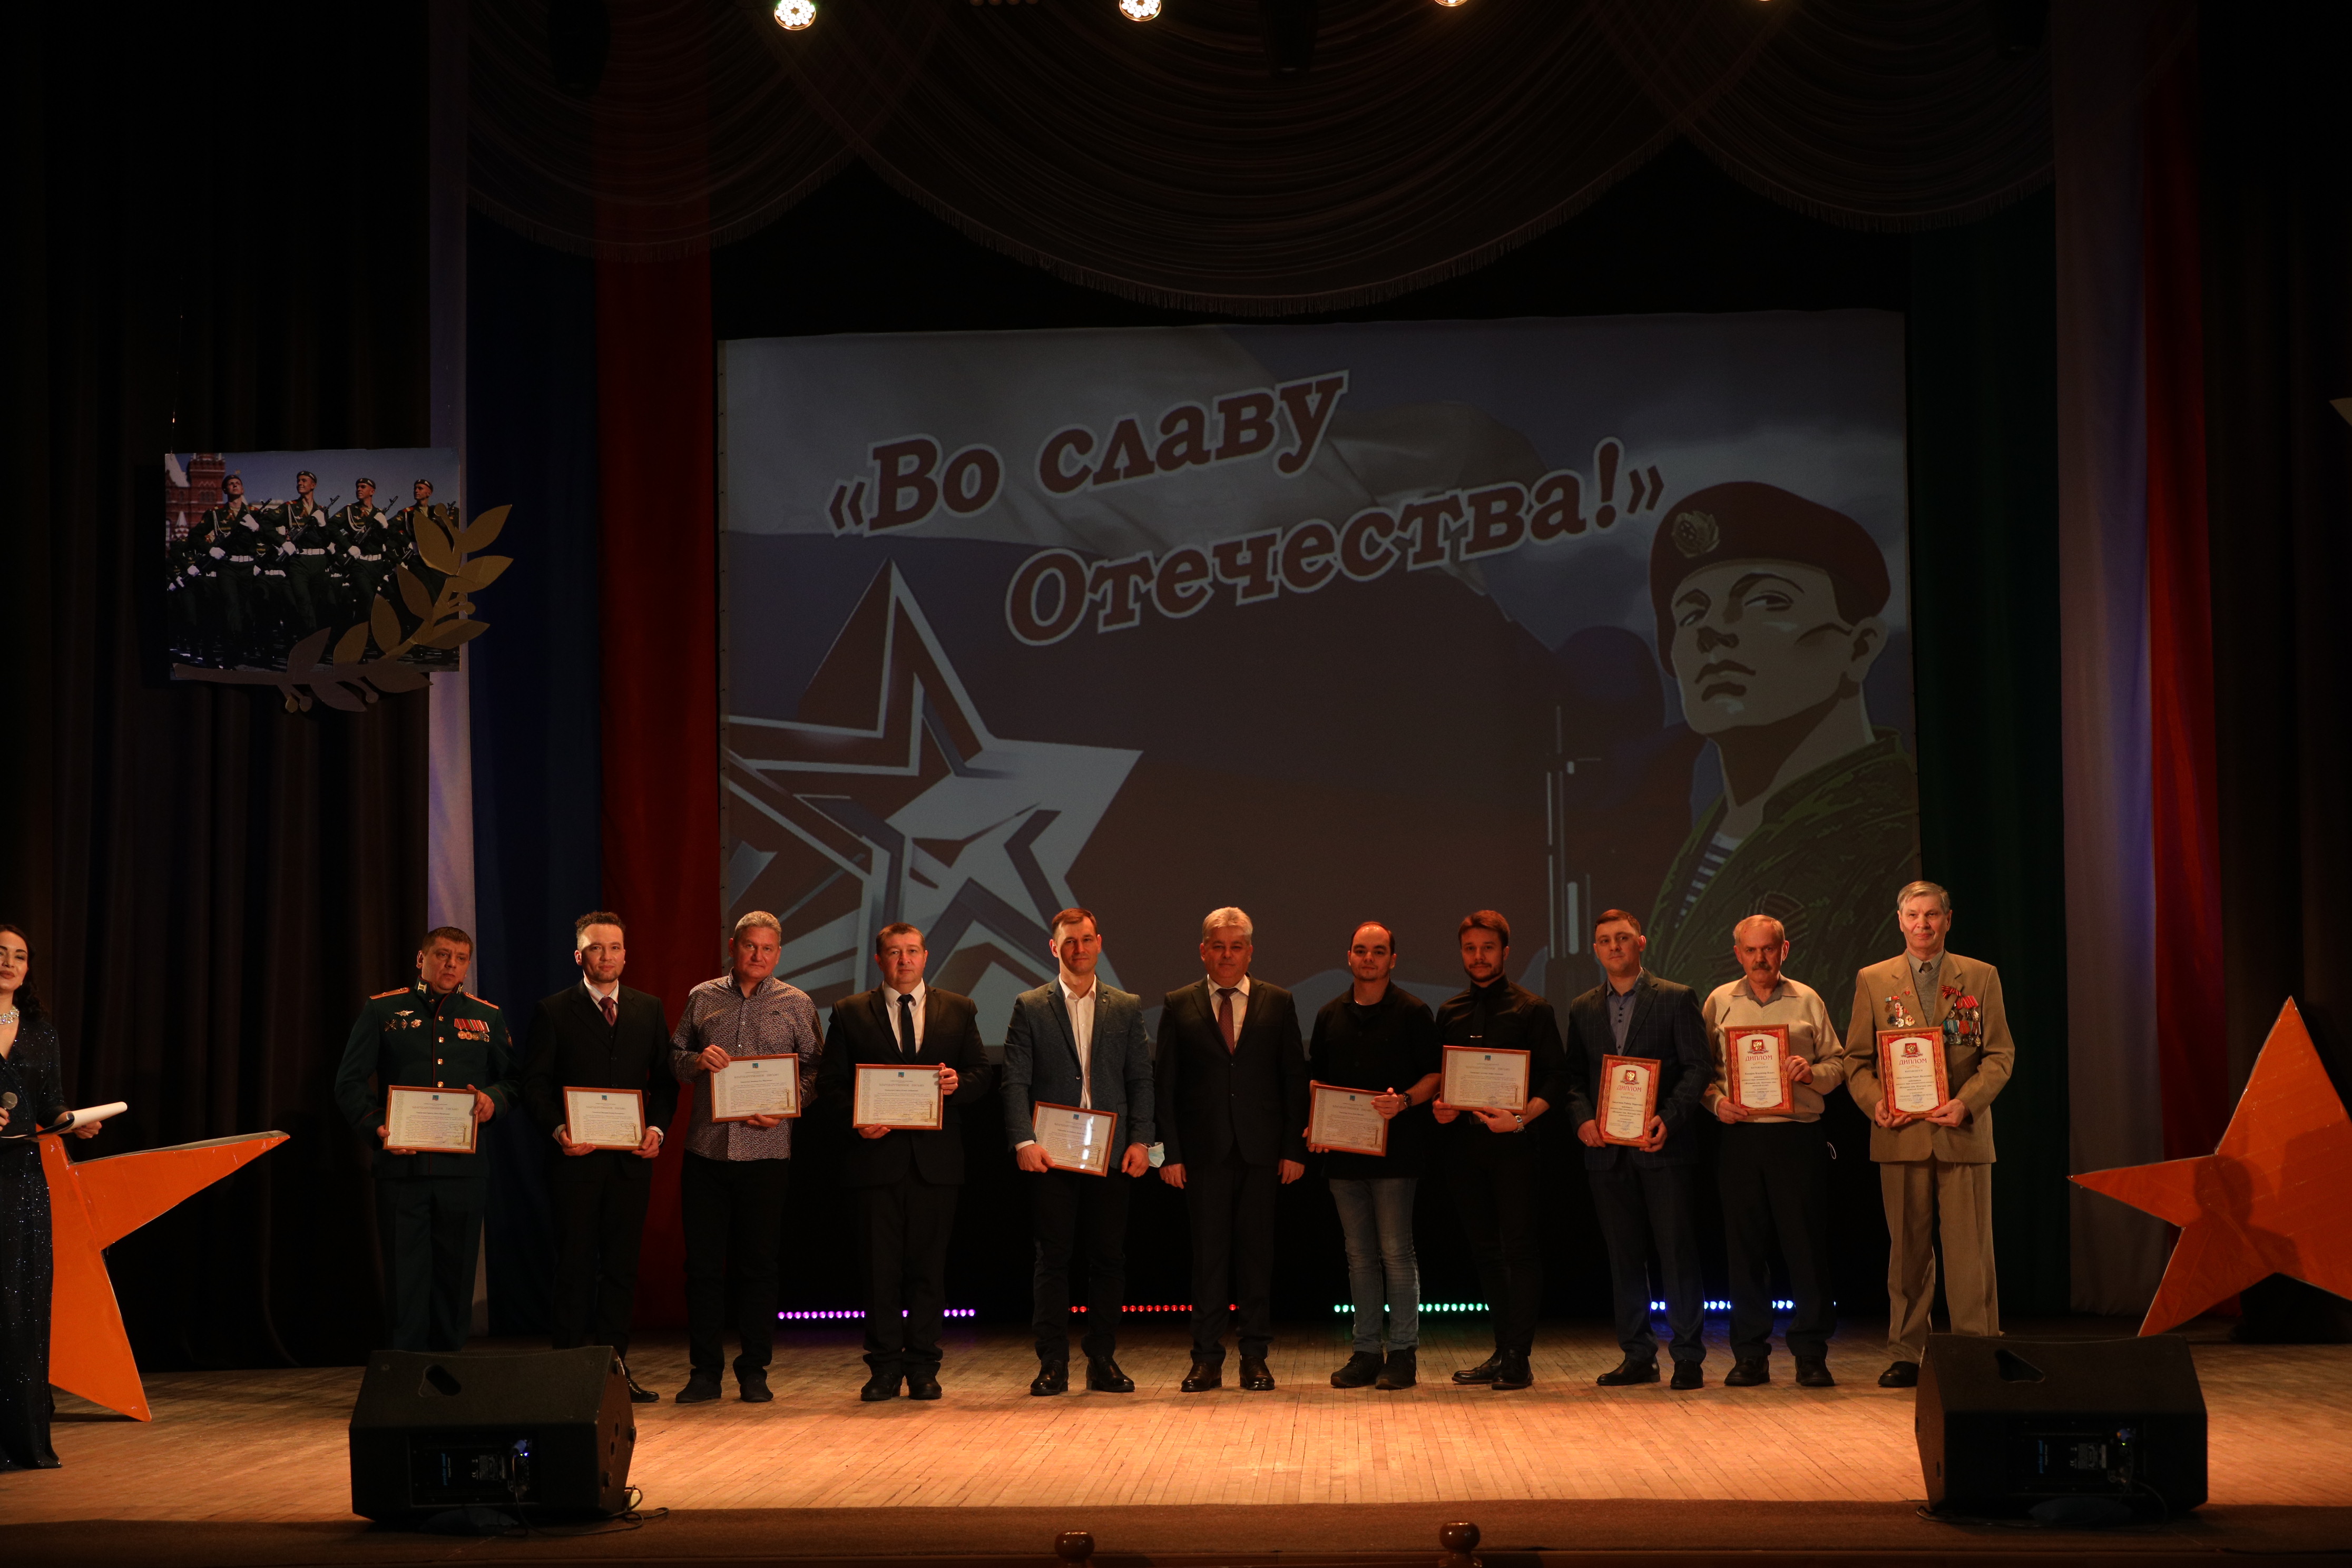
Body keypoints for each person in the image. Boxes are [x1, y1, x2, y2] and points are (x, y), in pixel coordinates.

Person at [1634, 482, 1921, 1001]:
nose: (1713, 631)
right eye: (1691, 613)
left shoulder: (1895, 836)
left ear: (1860, 647)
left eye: (1767, 600)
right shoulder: (1705, 838)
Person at [1844, 880, 2014, 1388]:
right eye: (1914, 915)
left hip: (1963, 1132)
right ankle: (1907, 1352)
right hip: (1900, 1134)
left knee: (1970, 1253)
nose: (1923, 924)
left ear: (1948, 919)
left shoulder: (1980, 976)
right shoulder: (1874, 979)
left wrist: (1967, 1103)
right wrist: (1876, 1102)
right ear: (1900, 921)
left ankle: (1977, 1350)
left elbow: (2000, 1056)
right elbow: (1856, 1061)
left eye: (1932, 914)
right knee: (1908, 1253)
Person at [818, 922, 993, 1403]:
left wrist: (959, 1084)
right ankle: (883, 1369)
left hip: (936, 1164)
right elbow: (829, 1085)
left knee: (929, 1272)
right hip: (874, 1162)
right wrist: (858, 1120)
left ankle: (923, 1367)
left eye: (912, 951)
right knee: (879, 1273)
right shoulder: (850, 1012)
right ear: (879, 960)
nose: (904, 960)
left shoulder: (959, 1008)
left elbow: (981, 1074)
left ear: (926, 956)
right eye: (894, 953)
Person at [332, 927, 514, 1354]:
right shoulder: (383, 1009)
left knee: (457, 1276)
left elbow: (514, 1081)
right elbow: (349, 1082)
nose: (451, 965)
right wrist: (378, 1128)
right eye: (442, 955)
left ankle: (449, 1368)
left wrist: (494, 1100)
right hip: (402, 1167)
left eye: (461, 959)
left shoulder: (487, 1017)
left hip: (463, 1171)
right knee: (404, 1276)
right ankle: (404, 1372)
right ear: (422, 959)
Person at [520, 912, 674, 1403]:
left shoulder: (649, 1009)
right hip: (575, 1162)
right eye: (595, 948)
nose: (606, 956)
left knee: (621, 1271)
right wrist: (559, 1129)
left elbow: (665, 1082)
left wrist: (656, 1129)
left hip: (630, 1163)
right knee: (574, 1267)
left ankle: (614, 1375)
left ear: (626, 955)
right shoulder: (553, 1011)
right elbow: (534, 1086)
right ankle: (566, 1375)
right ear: (579, 955)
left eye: (614, 947)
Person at [1001, 907, 1154, 1397]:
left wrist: (1142, 1141)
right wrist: (1023, 1141)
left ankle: (1102, 1359)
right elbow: (1015, 1080)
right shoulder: (1030, 1005)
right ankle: (1053, 1363)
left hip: (1112, 1152)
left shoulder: (1125, 1006)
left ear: (1099, 943)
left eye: (1087, 940)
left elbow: (1140, 1078)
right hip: (1051, 1152)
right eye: (1070, 941)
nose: (1079, 949)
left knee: (1108, 1258)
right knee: (1053, 1259)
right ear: (1054, 947)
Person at [668, 911, 819, 1405]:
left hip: (767, 1153)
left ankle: (755, 1371)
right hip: (706, 1152)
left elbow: (816, 1070)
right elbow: (674, 1057)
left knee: (759, 1267)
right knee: (702, 1269)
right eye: (750, 946)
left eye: (768, 948)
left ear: (779, 953)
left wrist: (789, 1104)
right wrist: (695, 1060)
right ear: (733, 947)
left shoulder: (797, 1003)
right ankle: (704, 1373)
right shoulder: (702, 996)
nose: (758, 955)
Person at [1155, 907, 1308, 1393]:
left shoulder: (1278, 1002)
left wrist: (1294, 1149)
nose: (1227, 955)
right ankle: (1206, 1359)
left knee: (1257, 1259)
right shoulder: (1178, 1003)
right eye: (1218, 946)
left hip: (1263, 1154)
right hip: (1202, 1155)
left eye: (1236, 946)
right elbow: (1166, 1086)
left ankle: (1255, 1358)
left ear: (1250, 952)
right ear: (1203, 951)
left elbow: (1293, 1080)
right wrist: (1170, 1153)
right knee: (1208, 1261)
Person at [1564, 908, 1713, 1389]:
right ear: (1596, 949)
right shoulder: (1582, 1007)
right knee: (1624, 1257)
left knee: (1677, 1253)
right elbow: (1572, 1077)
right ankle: (1638, 1355)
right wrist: (1583, 1119)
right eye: (1605, 940)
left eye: (1623, 938)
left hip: (1662, 1147)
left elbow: (1698, 1067)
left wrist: (1668, 1119)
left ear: (1641, 942)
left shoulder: (1675, 997)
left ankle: (1688, 1357)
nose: (1614, 946)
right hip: (1607, 1153)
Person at [1701, 914, 1845, 1387]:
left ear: (1784, 950)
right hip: (1741, 1138)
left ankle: (1811, 1353)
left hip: (1797, 1136)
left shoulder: (1808, 999)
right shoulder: (1719, 1002)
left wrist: (1813, 1073)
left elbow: (1839, 1063)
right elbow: (1699, 1070)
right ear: (1737, 953)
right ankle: (1749, 1355)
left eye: (1769, 949)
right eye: (1751, 950)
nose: (1760, 958)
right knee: (1744, 1251)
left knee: (1806, 1248)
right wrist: (1716, 1103)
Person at [1429, 910, 1568, 1391]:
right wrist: (1442, 1107)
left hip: (1515, 1147)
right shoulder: (1449, 1012)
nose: (1479, 956)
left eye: (1488, 948)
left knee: (1519, 1249)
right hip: (1464, 1150)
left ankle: (1518, 1358)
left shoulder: (1533, 1009)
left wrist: (1522, 1118)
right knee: (1486, 1252)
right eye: (1470, 948)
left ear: (1505, 952)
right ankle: (1502, 1350)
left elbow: (1557, 1078)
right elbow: (1444, 1080)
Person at [1307, 920, 1440, 1391]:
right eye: (1361, 950)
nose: (1369, 958)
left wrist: (1403, 1101)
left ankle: (1402, 1354)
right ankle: (1366, 1353)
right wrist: (1316, 1123)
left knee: (1396, 1255)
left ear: (1392, 960)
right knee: (1359, 1258)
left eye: (1379, 951)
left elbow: (1435, 1076)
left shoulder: (1413, 1012)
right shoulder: (1329, 1014)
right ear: (1349, 956)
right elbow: (1317, 1079)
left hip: (1397, 1156)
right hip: (1344, 1157)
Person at [0, 924, 105, 1473]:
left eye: (19, 956)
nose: (10, 963)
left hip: (20, 1178)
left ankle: (21, 1440)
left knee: (20, 1305)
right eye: (0, 953)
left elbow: (50, 1104)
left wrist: (71, 1121)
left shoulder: (41, 1032)